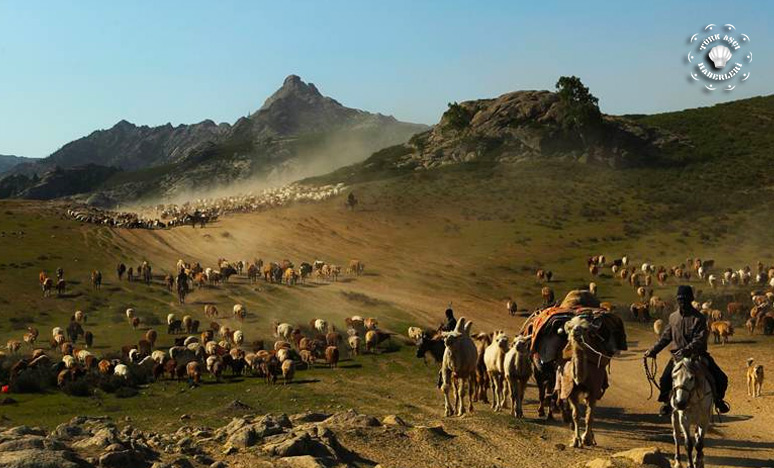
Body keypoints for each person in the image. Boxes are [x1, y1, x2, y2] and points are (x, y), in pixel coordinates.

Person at [644, 285, 729, 416]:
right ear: (677, 300)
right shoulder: (673, 317)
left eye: (685, 299)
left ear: (690, 299)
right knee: (664, 380)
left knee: (721, 378)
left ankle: (718, 401)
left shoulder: (699, 318)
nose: (682, 301)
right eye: (680, 299)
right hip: (677, 359)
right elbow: (665, 337)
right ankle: (667, 404)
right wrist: (653, 351)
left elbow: (700, 339)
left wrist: (686, 350)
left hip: (697, 356)